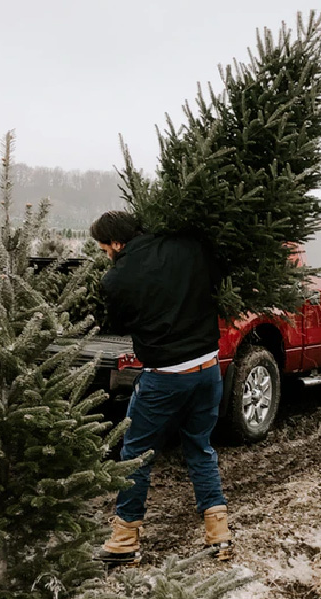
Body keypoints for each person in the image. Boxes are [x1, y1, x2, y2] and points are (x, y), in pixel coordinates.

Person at [89, 211, 233, 565]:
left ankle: (124, 540)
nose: (107, 254)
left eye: (105, 247)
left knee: (136, 453)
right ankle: (220, 536)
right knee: (199, 447)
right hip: (208, 369)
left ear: (117, 243)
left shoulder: (118, 278)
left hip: (165, 376)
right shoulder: (190, 246)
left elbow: (118, 323)